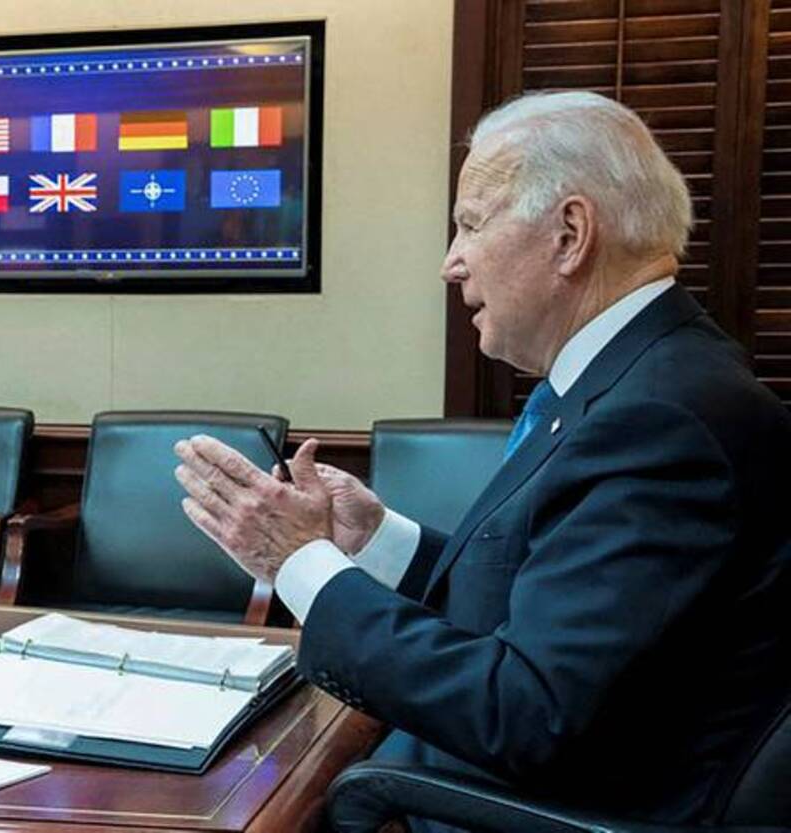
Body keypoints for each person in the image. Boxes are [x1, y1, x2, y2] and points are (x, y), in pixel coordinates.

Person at [173, 91, 791, 832]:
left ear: (569, 233)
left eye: (470, 224)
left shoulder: (660, 420)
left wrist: (301, 563)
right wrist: (372, 542)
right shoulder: (641, 378)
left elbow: (525, 712)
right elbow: (537, 602)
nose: (450, 263)